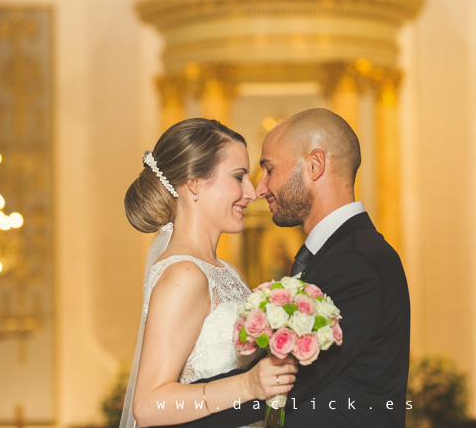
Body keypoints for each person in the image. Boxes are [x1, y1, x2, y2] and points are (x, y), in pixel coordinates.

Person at [165, 108, 411, 428]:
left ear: (314, 165)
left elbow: (288, 384)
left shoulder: (356, 263)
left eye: (269, 170)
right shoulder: (336, 254)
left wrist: (168, 412)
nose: (260, 188)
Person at [120, 118, 298, 428]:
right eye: (238, 176)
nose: (252, 192)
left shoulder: (227, 270)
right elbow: (149, 405)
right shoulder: (184, 275)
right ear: (194, 183)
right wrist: (249, 386)